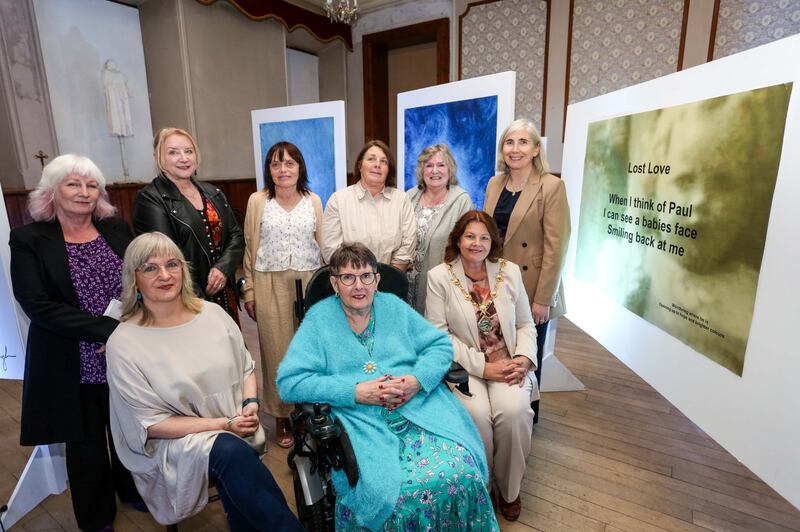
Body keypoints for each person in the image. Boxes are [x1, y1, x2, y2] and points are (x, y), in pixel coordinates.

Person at [278, 243, 498, 531]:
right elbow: (289, 382)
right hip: (362, 421)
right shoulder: (320, 320)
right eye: (348, 278)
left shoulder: (393, 307)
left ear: (377, 280)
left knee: (463, 471)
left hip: (420, 410)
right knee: (389, 494)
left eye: (366, 276)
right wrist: (354, 391)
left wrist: (416, 380)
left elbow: (440, 346)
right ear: (334, 283)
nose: (359, 286)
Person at [105, 232, 302, 531]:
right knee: (231, 452)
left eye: (172, 264)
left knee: (234, 459)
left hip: (231, 422)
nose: (164, 275)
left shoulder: (212, 313)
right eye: (150, 268)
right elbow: (151, 425)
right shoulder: (124, 341)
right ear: (134, 279)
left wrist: (250, 404)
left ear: (183, 269)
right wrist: (224, 424)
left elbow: (246, 367)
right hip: (174, 442)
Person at [10, 154, 142, 531]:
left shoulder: (116, 229)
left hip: (123, 354)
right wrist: (107, 331)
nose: (83, 193)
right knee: (86, 448)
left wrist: (128, 327)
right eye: (73, 184)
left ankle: (131, 490)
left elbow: (140, 280)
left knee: (126, 431)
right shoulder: (28, 239)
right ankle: (96, 517)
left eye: (91, 185)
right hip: (71, 360)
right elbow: (36, 304)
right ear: (52, 191)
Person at [426, 210, 537, 522]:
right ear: (458, 241)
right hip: (468, 367)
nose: (477, 243)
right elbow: (439, 335)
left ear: (493, 241)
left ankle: (510, 490)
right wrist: (484, 368)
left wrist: (525, 359)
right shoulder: (439, 278)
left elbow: (527, 324)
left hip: (510, 363)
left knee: (514, 413)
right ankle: (485, 487)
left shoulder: (510, 271)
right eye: (470, 236)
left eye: (484, 237)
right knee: (477, 416)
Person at [483, 118, 570, 422]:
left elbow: (556, 247)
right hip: (496, 283)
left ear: (535, 149)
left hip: (532, 287)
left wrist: (543, 298)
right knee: (496, 348)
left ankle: (528, 418)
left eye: (523, 142)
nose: (515, 149)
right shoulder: (494, 184)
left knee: (527, 356)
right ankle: (502, 411)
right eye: (509, 142)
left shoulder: (551, 186)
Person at [242, 141, 323, 448]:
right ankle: (281, 415)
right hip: (269, 281)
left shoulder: (313, 199)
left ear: (299, 167)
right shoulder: (257, 200)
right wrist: (249, 289)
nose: (283, 170)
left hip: (308, 279)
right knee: (276, 351)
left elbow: (323, 244)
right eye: (276, 164)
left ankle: (308, 409)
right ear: (269, 170)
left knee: (308, 350)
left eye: (290, 163)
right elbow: (251, 248)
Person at [133, 127, 244, 321]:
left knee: (231, 348)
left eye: (189, 151)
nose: (183, 158)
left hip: (225, 293)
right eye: (173, 152)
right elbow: (165, 257)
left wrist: (223, 268)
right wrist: (199, 302)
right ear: (158, 157)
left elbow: (236, 235)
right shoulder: (150, 199)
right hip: (186, 300)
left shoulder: (212, 192)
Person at [321, 140, 416, 271]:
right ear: (360, 166)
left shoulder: (401, 200)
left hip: (391, 281)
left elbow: (408, 245)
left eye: (384, 161)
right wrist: (362, 281)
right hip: (350, 283)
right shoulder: (338, 200)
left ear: (389, 170)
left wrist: (389, 278)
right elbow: (330, 250)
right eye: (371, 159)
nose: (377, 165)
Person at [406, 143, 472, 313]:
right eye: (429, 165)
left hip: (441, 285)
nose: (435, 171)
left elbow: (467, 247)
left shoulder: (461, 201)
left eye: (441, 165)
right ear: (422, 170)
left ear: (450, 169)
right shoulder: (409, 197)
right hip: (406, 283)